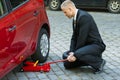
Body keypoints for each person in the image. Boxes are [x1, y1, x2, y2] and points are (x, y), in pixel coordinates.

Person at [61, 0, 106, 74]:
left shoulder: (84, 17)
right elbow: (74, 37)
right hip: (85, 46)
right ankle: (88, 60)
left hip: (96, 46)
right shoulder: (75, 18)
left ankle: (99, 62)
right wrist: (72, 51)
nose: (65, 14)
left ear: (70, 9)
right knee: (66, 59)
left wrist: (75, 54)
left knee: (77, 54)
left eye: (65, 12)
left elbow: (82, 39)